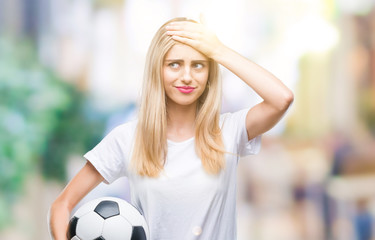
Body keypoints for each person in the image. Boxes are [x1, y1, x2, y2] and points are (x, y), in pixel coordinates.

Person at [49, 17, 294, 240]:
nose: (187, 76)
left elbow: (281, 99)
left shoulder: (229, 131)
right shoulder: (127, 139)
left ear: (210, 73)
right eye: (174, 64)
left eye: (198, 65)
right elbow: (62, 205)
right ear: (158, 69)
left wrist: (219, 51)